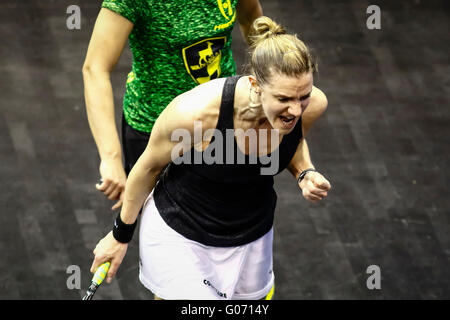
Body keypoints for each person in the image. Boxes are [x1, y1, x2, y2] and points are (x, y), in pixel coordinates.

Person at [90, 16, 331, 300]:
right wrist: (120, 235)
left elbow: (293, 141)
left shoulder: (312, 106)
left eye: (302, 96)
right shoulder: (196, 115)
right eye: (283, 99)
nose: (295, 110)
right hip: (182, 233)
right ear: (255, 85)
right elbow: (147, 168)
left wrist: (304, 172)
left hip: (252, 233)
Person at [82, 0, 263, 210]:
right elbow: (95, 68)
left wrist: (273, 78)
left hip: (220, 121)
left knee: (228, 212)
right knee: (165, 225)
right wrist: (111, 158)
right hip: (156, 133)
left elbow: (251, 18)